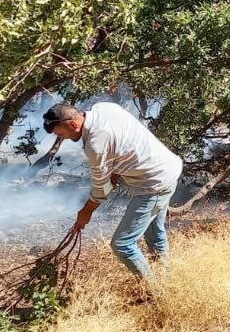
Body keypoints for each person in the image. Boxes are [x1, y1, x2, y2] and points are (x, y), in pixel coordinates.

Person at [43, 102, 183, 279]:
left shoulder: (94, 145)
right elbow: (123, 140)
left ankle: (157, 294)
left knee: (122, 244)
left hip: (154, 184)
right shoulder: (103, 107)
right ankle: (166, 279)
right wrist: (115, 172)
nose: (65, 138)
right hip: (168, 168)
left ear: (73, 124)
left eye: (63, 134)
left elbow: (100, 190)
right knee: (154, 232)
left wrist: (85, 213)